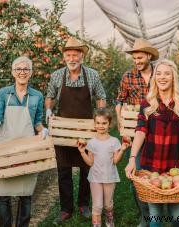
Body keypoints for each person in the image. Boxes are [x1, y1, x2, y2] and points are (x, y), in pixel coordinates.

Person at [125, 59, 179, 227]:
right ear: (154, 78)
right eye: (158, 73)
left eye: (167, 73)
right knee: (156, 215)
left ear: (174, 77)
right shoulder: (148, 103)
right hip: (152, 165)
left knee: (177, 215)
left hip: (175, 166)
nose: (162, 77)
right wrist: (132, 158)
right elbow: (140, 131)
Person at [45, 37, 107, 224]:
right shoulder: (57, 76)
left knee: (87, 167)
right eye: (68, 55)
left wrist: (100, 116)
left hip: (86, 129)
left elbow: (101, 97)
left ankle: (84, 204)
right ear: (64, 57)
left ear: (82, 56)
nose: (72, 58)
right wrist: (49, 111)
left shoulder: (92, 75)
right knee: (63, 169)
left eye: (75, 55)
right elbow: (50, 96)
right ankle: (66, 208)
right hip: (63, 130)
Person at [0, 56, 48, 227]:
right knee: (3, 193)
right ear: (13, 72)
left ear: (31, 73)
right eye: (18, 69)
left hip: (27, 149)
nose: (22, 72)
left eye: (26, 69)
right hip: (5, 148)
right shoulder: (4, 93)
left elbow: (37, 122)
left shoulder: (37, 96)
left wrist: (43, 130)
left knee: (25, 193)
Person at [115, 38, 159, 227]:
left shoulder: (161, 73)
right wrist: (120, 122)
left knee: (157, 173)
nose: (137, 61)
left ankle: (158, 212)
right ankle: (145, 215)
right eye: (135, 58)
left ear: (149, 55)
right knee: (138, 173)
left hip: (159, 132)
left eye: (140, 57)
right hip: (136, 131)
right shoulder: (128, 76)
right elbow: (119, 101)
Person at [78, 108, 129, 227]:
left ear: (109, 124)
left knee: (108, 204)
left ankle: (109, 219)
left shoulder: (114, 141)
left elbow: (116, 161)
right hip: (95, 177)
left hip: (109, 177)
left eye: (104, 123)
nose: (101, 126)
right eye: (98, 123)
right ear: (94, 123)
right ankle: (96, 224)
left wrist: (122, 150)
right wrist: (82, 152)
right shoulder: (91, 142)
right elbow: (90, 162)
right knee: (97, 205)